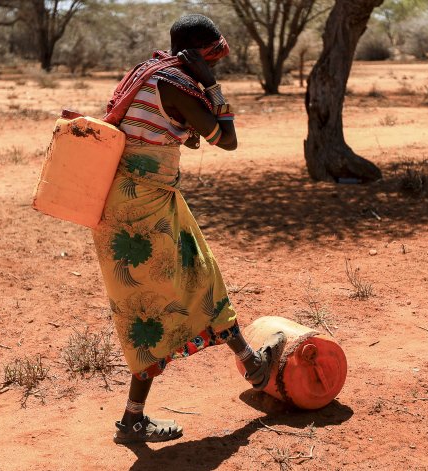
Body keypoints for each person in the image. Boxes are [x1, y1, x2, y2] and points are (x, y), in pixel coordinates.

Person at [92, 14, 285, 444]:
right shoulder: (176, 85)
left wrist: (186, 121)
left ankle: (253, 364)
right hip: (139, 209)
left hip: (136, 200)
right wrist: (211, 86)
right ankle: (133, 420)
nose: (217, 62)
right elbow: (227, 140)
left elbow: (154, 127)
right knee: (150, 306)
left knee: (200, 272)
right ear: (195, 54)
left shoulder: (150, 71)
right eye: (211, 56)